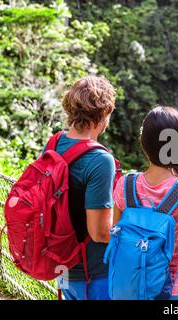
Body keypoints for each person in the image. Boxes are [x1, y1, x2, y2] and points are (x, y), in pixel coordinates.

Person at [112, 106, 178, 300]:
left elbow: (118, 236)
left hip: (131, 289)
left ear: (144, 142)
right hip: (176, 295)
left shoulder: (125, 185)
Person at [54, 76, 117, 300]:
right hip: (93, 273)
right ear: (104, 112)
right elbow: (99, 232)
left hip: (62, 264)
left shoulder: (55, 142)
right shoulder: (100, 160)